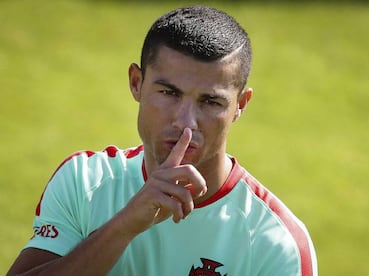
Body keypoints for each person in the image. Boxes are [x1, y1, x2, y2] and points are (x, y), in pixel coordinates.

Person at [8, 5, 317, 276]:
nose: (185, 122)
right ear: (136, 83)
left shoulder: (277, 241)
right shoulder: (84, 182)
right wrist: (123, 227)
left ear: (240, 105)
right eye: (169, 93)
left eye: (210, 102)